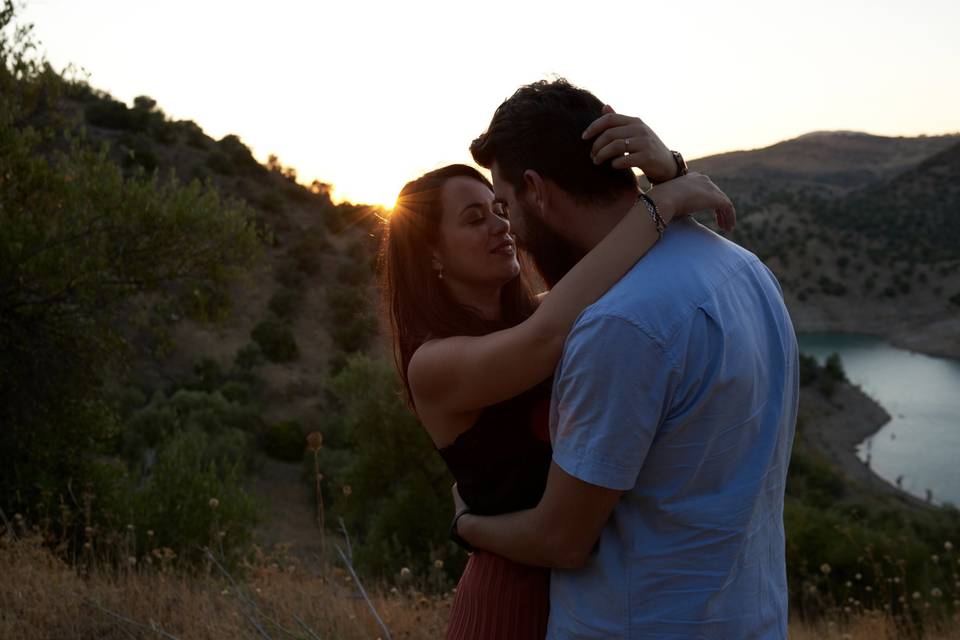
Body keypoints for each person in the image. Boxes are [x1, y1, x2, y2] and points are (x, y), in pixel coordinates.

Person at [451, 78, 799, 638]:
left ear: (537, 190)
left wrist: (466, 524)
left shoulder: (618, 324)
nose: (509, 228)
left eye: (506, 205)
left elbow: (561, 540)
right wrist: (673, 177)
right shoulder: (746, 271)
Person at [380, 110, 734, 636]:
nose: (501, 226)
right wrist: (662, 201)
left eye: (499, 210)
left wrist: (667, 171)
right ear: (432, 252)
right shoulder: (433, 362)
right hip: (512, 600)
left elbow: (616, 264)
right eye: (474, 219)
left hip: (591, 597)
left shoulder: (542, 313)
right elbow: (546, 335)